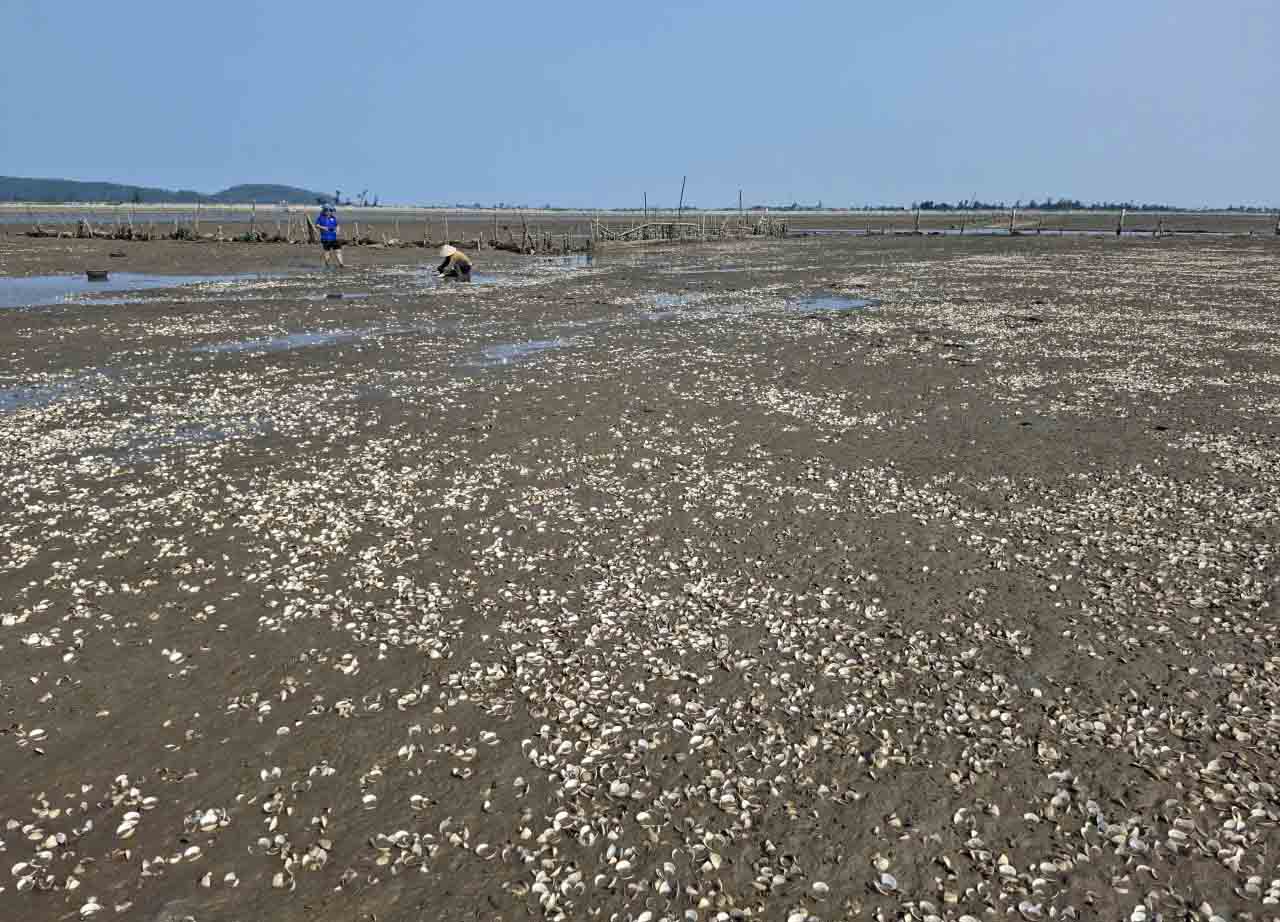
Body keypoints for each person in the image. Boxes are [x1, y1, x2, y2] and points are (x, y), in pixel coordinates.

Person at [316, 203, 344, 269]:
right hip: (325, 238)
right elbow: (316, 225)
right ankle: (327, 264)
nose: (331, 212)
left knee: (338, 250)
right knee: (327, 252)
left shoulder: (333, 218)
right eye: (330, 211)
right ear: (326, 211)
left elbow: (337, 225)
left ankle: (341, 264)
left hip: (334, 238)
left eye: (332, 211)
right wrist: (324, 228)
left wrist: (338, 230)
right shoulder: (321, 218)